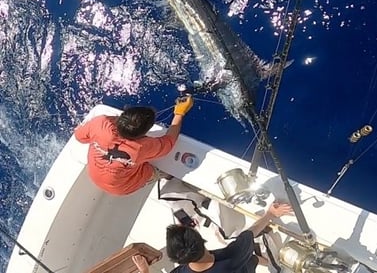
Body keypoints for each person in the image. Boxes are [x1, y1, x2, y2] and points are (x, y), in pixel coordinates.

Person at [74, 95, 194, 195]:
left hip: (94, 175)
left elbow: (79, 137)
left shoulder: (100, 123)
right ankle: (166, 177)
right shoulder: (142, 147)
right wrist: (179, 113)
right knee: (151, 169)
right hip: (122, 187)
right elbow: (169, 141)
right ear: (143, 135)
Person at [132, 202, 293, 273]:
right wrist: (270, 214)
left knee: (250, 257)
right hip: (238, 268)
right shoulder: (232, 255)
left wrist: (145, 271)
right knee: (251, 259)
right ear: (202, 240)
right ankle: (269, 263)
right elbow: (251, 232)